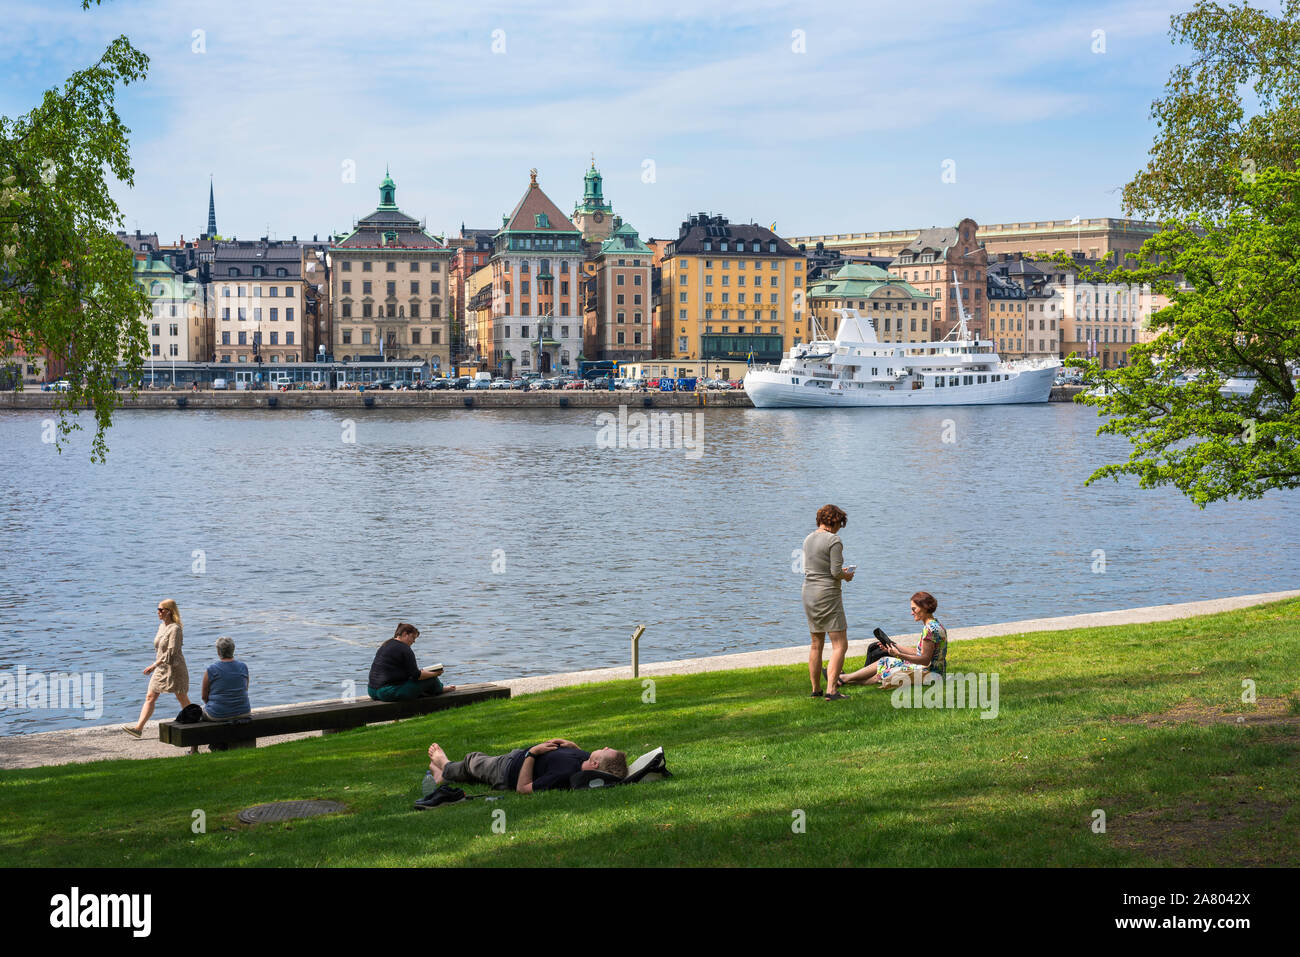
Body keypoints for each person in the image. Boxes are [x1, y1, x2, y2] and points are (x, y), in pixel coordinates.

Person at [425, 739, 628, 795]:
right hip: (515, 757)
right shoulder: (584, 759)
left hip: (506, 771)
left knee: (473, 762)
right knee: (477, 770)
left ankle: (445, 766)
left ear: (595, 764)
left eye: (605, 751)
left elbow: (523, 789)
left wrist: (532, 754)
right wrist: (573, 747)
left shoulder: (563, 774)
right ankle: (444, 776)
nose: (605, 746)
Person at [836, 591, 948, 690]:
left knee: (885, 662)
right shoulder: (937, 625)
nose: (911, 613)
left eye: (914, 609)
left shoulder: (929, 630)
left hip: (929, 673)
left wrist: (899, 655)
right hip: (936, 673)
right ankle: (843, 680)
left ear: (924, 608)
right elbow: (919, 652)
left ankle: (843, 678)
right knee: (884, 666)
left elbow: (924, 660)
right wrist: (894, 646)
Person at [803, 504, 855, 700]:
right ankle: (832, 690)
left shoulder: (808, 539)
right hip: (827, 595)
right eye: (840, 523)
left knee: (816, 643)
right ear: (835, 521)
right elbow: (835, 572)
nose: (840, 527)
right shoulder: (834, 541)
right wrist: (847, 576)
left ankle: (815, 689)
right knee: (840, 644)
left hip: (808, 593)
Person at [121, 599, 191, 737]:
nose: (158, 612)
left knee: (181, 696)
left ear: (169, 611)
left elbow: (171, 652)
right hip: (161, 667)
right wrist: (157, 665)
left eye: (161, 610)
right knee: (150, 696)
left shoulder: (175, 629)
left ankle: (194, 721)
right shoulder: (161, 627)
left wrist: (154, 665)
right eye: (157, 609)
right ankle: (138, 729)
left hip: (174, 668)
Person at [367, 622, 456, 701]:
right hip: (387, 693)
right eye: (413, 637)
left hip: (372, 691)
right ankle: (440, 689)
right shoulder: (405, 649)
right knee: (431, 679)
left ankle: (432, 690)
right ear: (405, 634)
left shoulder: (386, 644)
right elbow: (416, 676)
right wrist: (435, 674)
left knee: (422, 677)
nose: (414, 641)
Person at [201, 636, 251, 720]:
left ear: (218, 651)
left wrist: (214, 706)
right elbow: (245, 689)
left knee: (200, 709)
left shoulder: (211, 669)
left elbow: (204, 696)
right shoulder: (243, 667)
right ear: (233, 650)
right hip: (244, 711)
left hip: (217, 714)